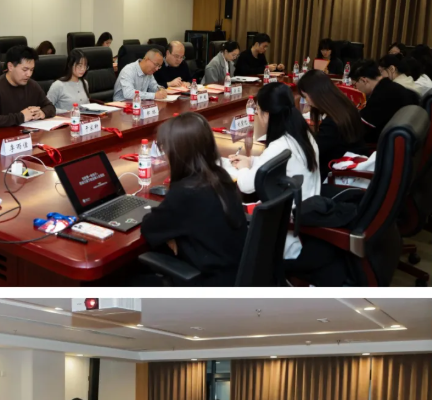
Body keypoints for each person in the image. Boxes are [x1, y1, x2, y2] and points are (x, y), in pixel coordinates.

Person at [140, 112, 247, 286]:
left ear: (178, 153)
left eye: (166, 149)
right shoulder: (220, 176)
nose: (165, 156)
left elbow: (149, 227)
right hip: (234, 273)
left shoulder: (186, 192)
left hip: (209, 284)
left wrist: (172, 237)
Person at [230, 82, 320, 262]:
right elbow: (279, 164)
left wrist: (243, 169)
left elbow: (246, 185)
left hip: (289, 229)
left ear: (267, 114)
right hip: (307, 213)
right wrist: (252, 161)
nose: (257, 114)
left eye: (258, 110)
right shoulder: (302, 132)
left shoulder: (280, 145)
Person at [298, 69, 368, 181]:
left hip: (339, 172)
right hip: (348, 161)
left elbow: (314, 151)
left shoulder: (332, 122)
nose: (307, 101)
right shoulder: (343, 106)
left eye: (306, 97)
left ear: (315, 94)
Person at [0, 45, 56, 129]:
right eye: (25, 70)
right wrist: (21, 117)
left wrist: (42, 112)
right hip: (3, 135)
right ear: (10, 67)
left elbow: (50, 107)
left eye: (31, 70)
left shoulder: (33, 85)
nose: (29, 74)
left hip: (28, 133)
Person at [351, 59, 420, 144]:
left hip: (387, 144)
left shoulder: (381, 96)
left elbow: (361, 129)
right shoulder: (391, 87)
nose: (355, 88)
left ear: (363, 80)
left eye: (355, 85)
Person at [47, 48, 90, 113]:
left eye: (85, 66)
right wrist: (67, 112)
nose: (83, 69)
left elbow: (87, 105)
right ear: (70, 65)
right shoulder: (58, 85)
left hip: (83, 118)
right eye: (79, 66)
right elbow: (47, 107)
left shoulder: (84, 83)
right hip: (64, 118)